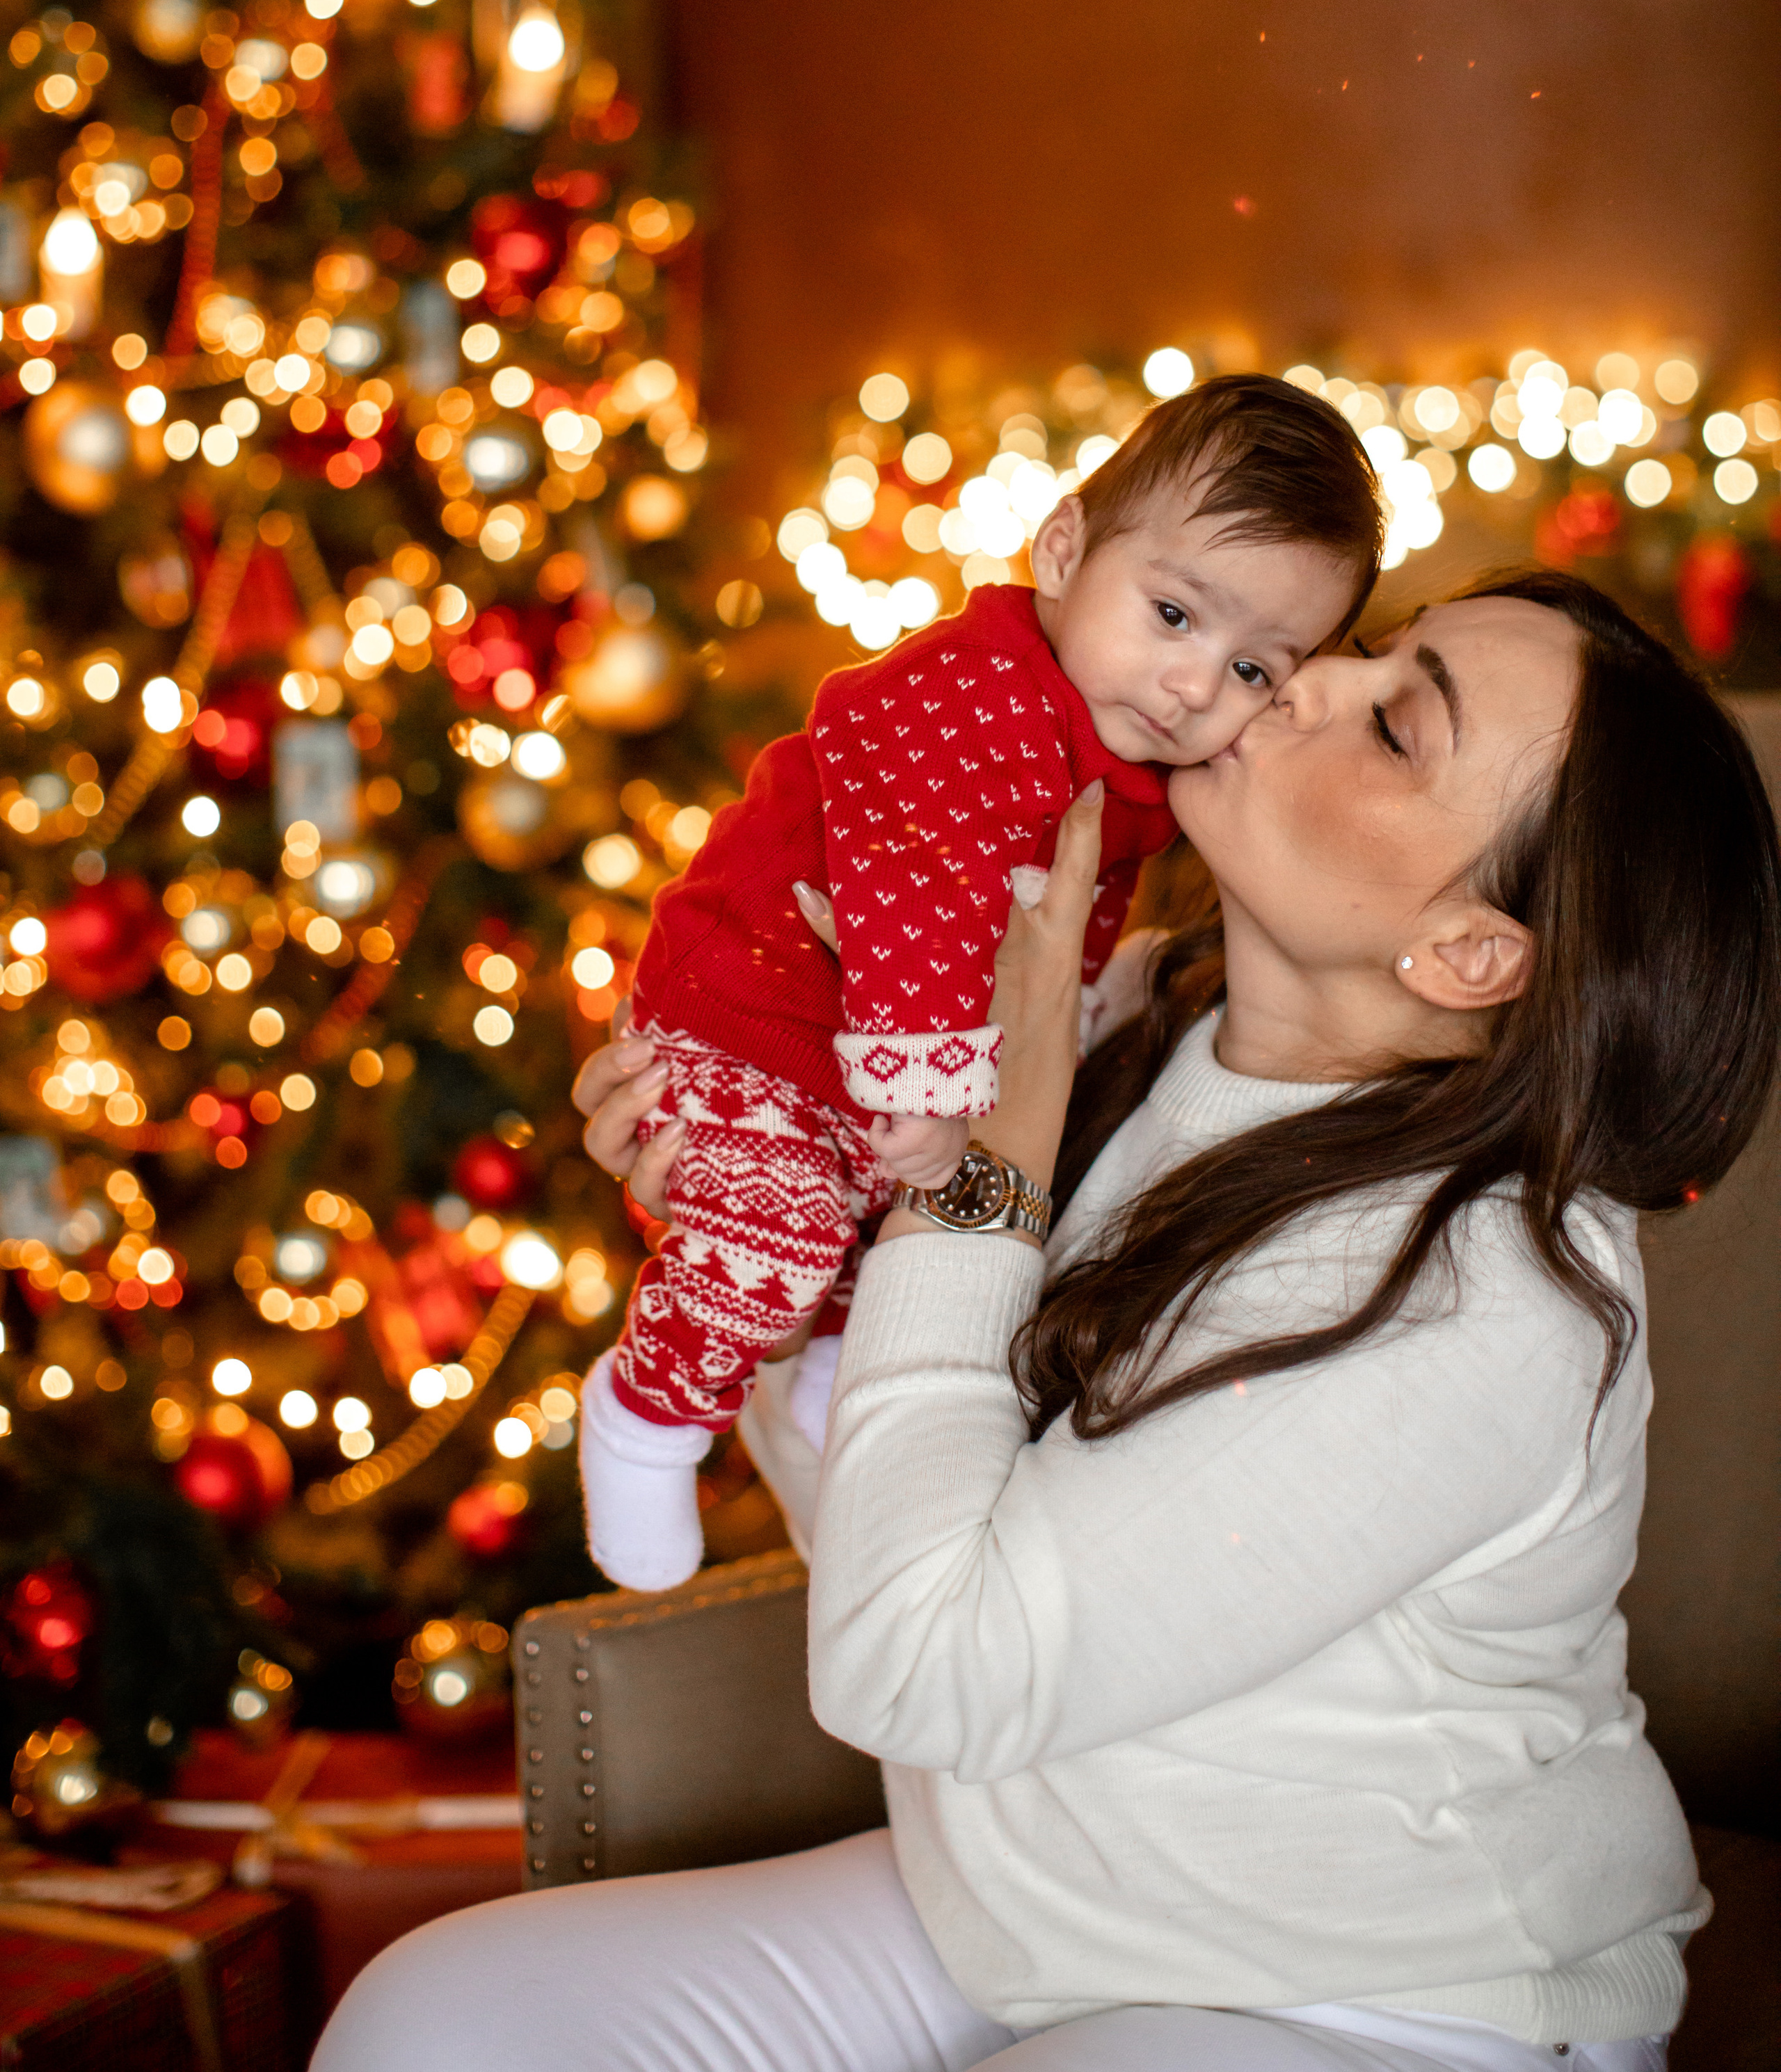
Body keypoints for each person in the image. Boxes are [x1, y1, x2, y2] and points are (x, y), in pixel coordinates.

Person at [313, 570, 1779, 2072]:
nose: (1310, 679)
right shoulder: (1124, 1016)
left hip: (1374, 1998)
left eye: (1396, 725)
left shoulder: (1490, 1308)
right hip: (1020, 1910)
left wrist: (987, 1175)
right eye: (1369, 649)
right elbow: (890, 1533)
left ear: (1468, 952)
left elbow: (916, 1665)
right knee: (435, 2025)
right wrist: (755, 1226)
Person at [581, 376, 1381, 1591]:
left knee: (830, 1231)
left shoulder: (1111, 762)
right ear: (1062, 550)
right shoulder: (978, 697)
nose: (1195, 687)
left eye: (1257, 670)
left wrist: (989, 1068)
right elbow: (919, 898)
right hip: (752, 1011)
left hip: (848, 1064)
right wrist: (937, 1088)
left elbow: (1040, 951)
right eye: (1171, 613)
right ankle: (642, 1418)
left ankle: (822, 1368)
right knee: (787, 1228)